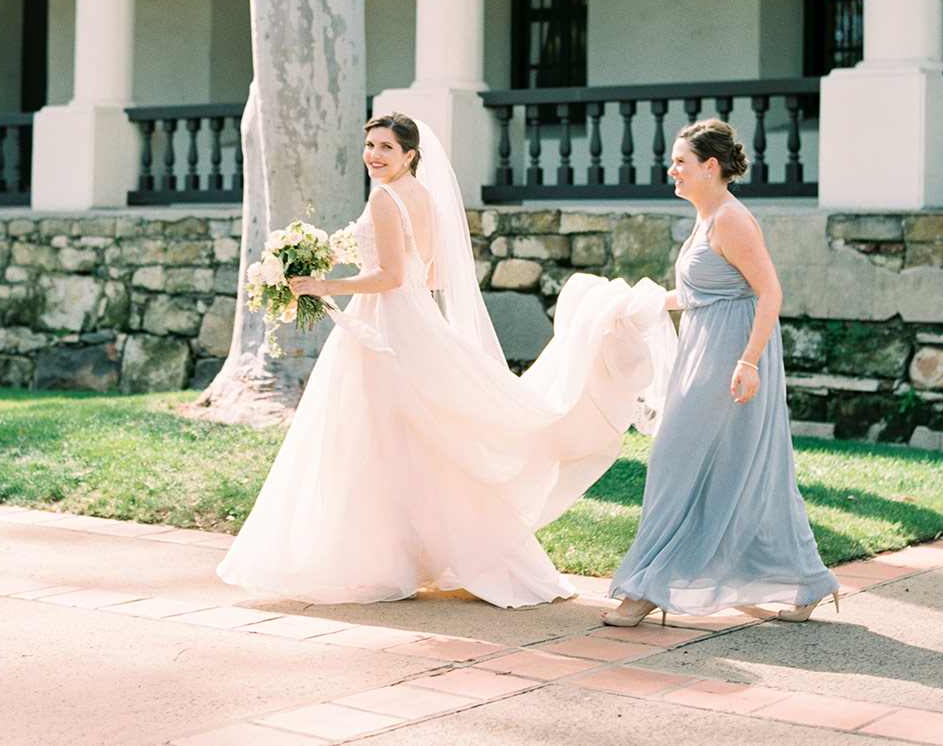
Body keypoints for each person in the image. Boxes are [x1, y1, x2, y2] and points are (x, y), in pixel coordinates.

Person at [216, 113, 677, 609]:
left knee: (376, 438)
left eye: (386, 147)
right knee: (417, 441)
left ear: (410, 155)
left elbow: (391, 276)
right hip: (414, 321)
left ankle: (391, 561)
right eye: (370, 145)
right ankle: (424, 556)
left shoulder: (383, 197)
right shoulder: (424, 196)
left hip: (387, 326)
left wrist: (323, 285)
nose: (374, 155)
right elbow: (428, 274)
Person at [603, 119, 840, 626]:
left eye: (681, 162)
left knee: (677, 459)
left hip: (733, 358)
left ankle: (647, 585)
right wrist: (631, 305)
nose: (672, 170)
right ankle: (808, 579)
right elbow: (700, 295)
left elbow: (769, 291)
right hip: (704, 352)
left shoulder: (731, 219)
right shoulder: (705, 218)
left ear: (710, 167)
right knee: (729, 470)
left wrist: (748, 361)